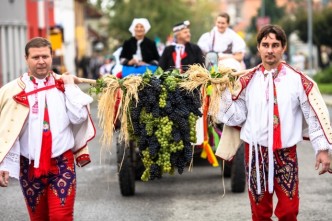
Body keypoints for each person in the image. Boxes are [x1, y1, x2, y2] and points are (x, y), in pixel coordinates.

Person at [215, 25, 332, 221]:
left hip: (285, 154)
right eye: (265, 44)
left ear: (283, 48)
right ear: (259, 48)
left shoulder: (297, 80)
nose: (270, 50)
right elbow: (236, 118)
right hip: (255, 153)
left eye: (275, 45)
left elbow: (313, 114)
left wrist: (322, 150)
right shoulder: (246, 80)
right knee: (259, 213)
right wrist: (223, 92)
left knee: (288, 211)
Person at [0, 37, 96, 220]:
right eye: (36, 57)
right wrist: (3, 162)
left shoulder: (63, 85)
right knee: (38, 219)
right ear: (26, 58)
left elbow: (79, 117)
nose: (41, 61)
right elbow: (7, 129)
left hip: (61, 164)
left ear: (52, 57)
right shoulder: (12, 91)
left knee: (61, 217)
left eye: (45, 56)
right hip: (28, 166)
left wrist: (70, 87)